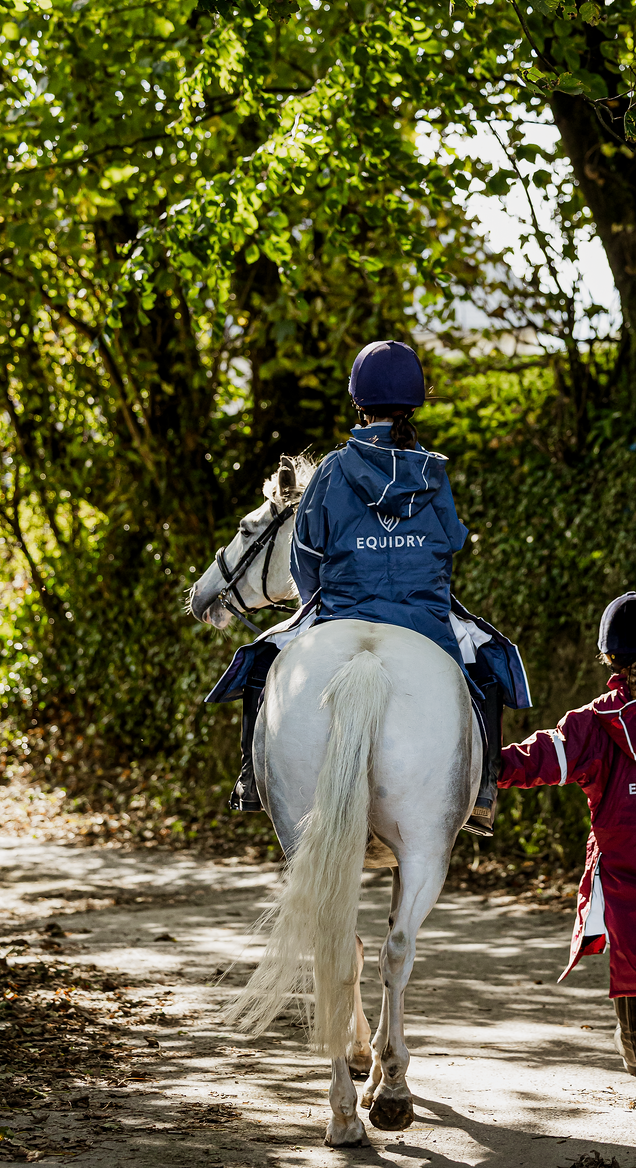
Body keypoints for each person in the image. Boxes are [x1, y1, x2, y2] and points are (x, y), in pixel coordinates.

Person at [218, 339, 531, 830]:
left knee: (260, 662)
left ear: (357, 402)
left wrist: (327, 590)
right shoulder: (434, 471)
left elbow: (306, 557)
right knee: (489, 665)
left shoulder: (332, 469)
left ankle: (251, 781)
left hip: (343, 612)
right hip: (425, 618)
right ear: (414, 402)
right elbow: (449, 543)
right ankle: (483, 792)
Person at [497, 592, 636, 1098]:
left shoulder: (593, 722)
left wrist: (484, 765)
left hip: (620, 855)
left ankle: (631, 1038)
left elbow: (541, 761)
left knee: (630, 944)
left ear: (609, 657)